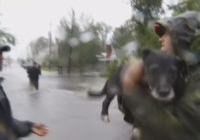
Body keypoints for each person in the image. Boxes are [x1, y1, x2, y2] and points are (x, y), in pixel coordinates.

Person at [122, 11, 200, 140]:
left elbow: (179, 132)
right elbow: (134, 117)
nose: (160, 38)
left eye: (166, 34)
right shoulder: (182, 72)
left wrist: (130, 85)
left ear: (183, 37)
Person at [0, 44, 48, 139]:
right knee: (34, 89)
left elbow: (6, 121)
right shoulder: (34, 68)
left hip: (33, 80)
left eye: (1, 54)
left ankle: (34, 92)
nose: (1, 58)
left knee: (34, 89)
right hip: (34, 80)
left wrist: (29, 126)